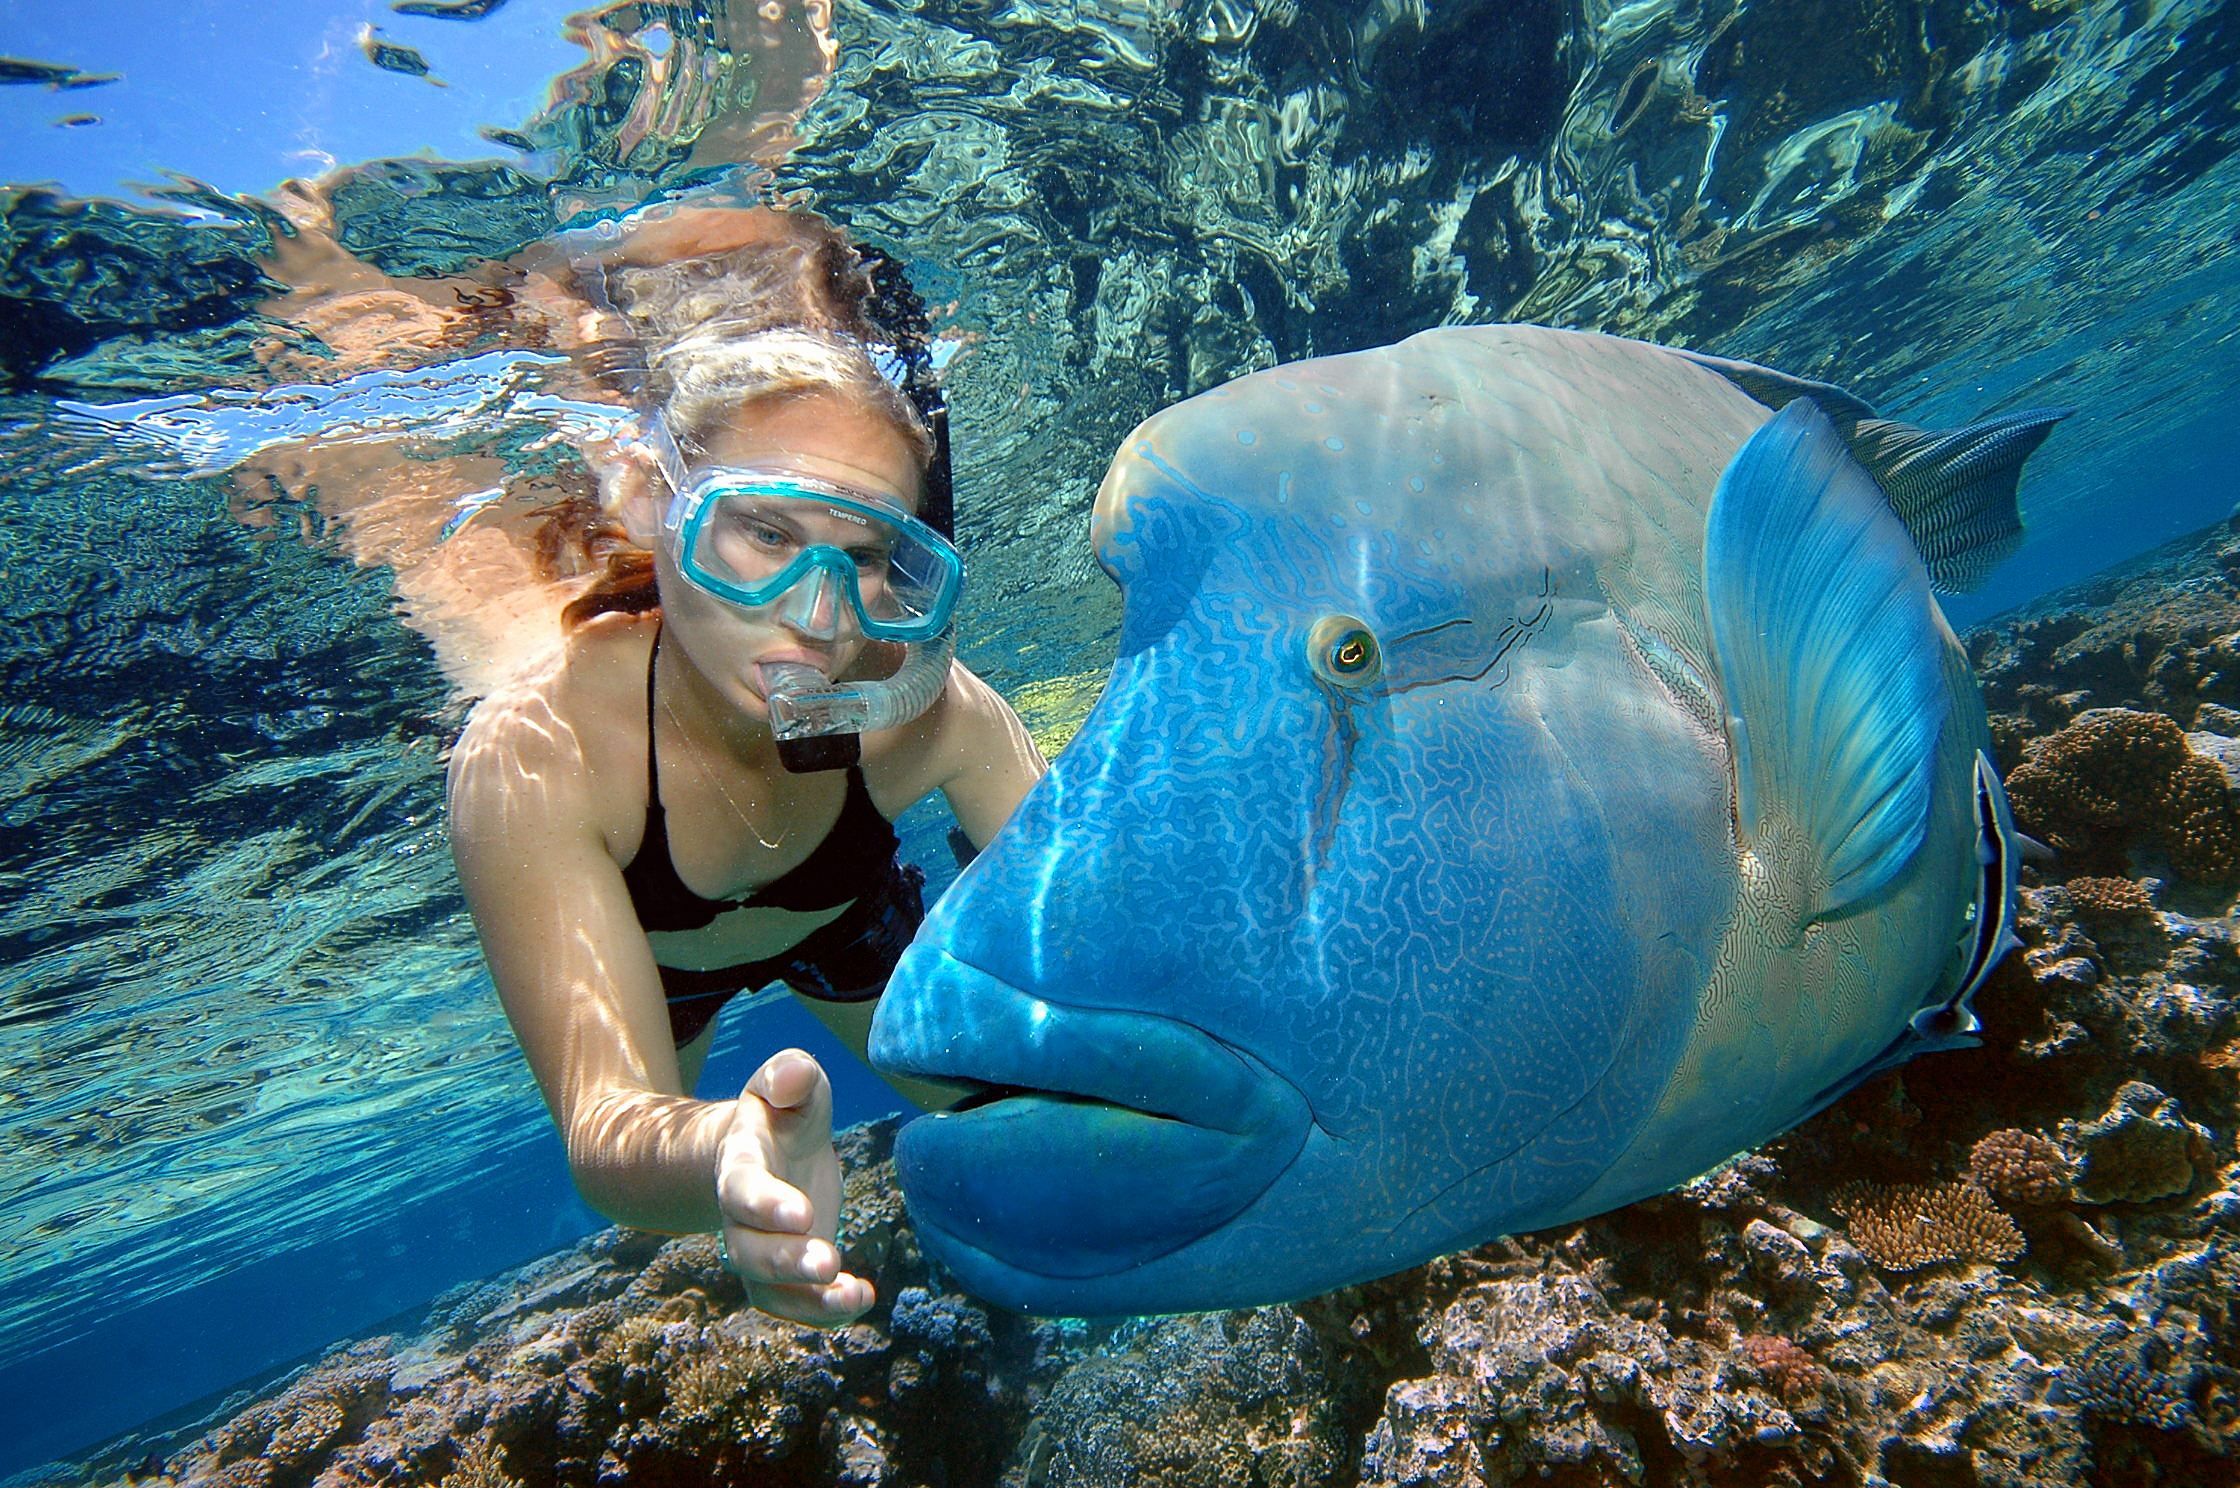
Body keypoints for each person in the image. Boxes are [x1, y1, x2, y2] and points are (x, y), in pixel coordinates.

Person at [446, 206, 1045, 1327]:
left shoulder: (929, 715)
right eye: (761, 535)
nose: (815, 622)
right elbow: (608, 1131)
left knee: (993, 1101)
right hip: (663, 965)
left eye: (868, 558)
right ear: (651, 504)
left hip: (839, 914)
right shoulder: (543, 752)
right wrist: (727, 1146)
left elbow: (1106, 914)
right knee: (655, 1211)